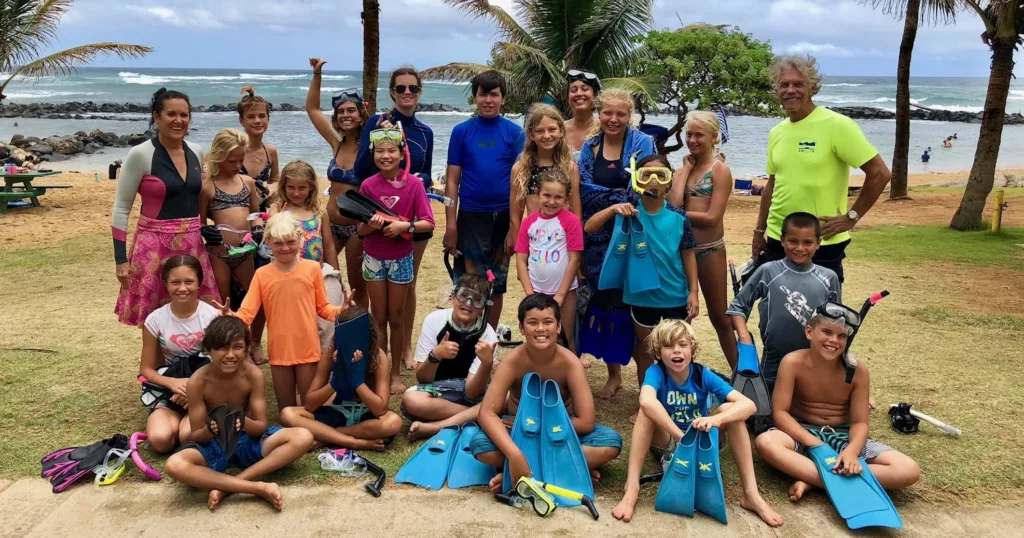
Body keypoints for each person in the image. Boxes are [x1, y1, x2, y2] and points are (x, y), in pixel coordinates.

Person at [610, 319, 783, 527]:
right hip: (670, 440)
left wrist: (715, 419)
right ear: (657, 353)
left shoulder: (702, 374)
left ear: (692, 349)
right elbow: (646, 401)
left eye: (682, 345)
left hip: (702, 442)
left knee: (731, 410)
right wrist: (679, 435)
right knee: (646, 411)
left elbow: (749, 405)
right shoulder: (656, 373)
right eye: (668, 346)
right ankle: (632, 489)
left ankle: (751, 494)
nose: (676, 351)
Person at [754, 306, 921, 502]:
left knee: (909, 470)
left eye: (841, 336)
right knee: (765, 443)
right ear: (809, 332)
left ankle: (814, 479)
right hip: (801, 434)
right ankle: (837, 478)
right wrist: (815, 444)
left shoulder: (858, 371)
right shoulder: (792, 363)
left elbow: (860, 423)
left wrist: (852, 451)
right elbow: (780, 413)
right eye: (826, 332)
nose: (834, 340)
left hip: (843, 437)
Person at [752, 55, 891, 285]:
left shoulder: (837, 125)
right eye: (784, 84)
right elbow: (772, 185)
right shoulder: (776, 132)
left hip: (821, 242)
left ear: (812, 88)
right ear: (776, 89)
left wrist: (851, 217)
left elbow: (880, 173)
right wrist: (759, 232)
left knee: (822, 316)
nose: (790, 90)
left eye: (798, 84)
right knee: (775, 314)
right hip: (779, 239)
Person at [470, 294, 622, 491]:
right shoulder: (512, 362)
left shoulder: (570, 363)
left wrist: (538, 428)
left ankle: (517, 471)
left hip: (560, 432)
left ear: (558, 327)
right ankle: (565, 467)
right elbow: (486, 413)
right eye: (532, 323)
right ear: (522, 328)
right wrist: (514, 453)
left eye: (548, 322)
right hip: (519, 433)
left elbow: (586, 421)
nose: (541, 329)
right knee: (480, 445)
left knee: (610, 442)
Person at [163, 316, 314, 512]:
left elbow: (260, 426)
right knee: (174, 465)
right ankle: (256, 488)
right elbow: (196, 435)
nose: (230, 355)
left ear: (247, 348)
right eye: (222, 348)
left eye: (237, 347)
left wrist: (243, 422)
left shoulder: (253, 375)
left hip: (247, 441)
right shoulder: (197, 382)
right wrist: (210, 429)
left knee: (303, 436)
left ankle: (231, 485)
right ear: (208, 350)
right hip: (215, 445)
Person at [585, 155, 698, 412]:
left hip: (676, 296)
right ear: (636, 180)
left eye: (661, 176)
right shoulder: (627, 213)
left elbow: (688, 255)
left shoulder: (679, 217)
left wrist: (694, 291)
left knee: (679, 352)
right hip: (640, 297)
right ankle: (647, 406)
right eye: (646, 176)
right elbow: (590, 228)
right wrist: (613, 209)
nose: (654, 182)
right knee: (646, 353)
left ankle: (677, 402)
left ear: (669, 182)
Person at [112, 88, 220, 326]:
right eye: (171, 114)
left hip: (192, 244)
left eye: (184, 115)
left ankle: (191, 360)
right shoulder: (140, 154)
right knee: (154, 317)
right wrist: (121, 260)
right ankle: (156, 363)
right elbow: (121, 208)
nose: (178, 120)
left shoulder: (196, 151)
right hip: (152, 246)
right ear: (157, 117)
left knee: (197, 312)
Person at [577, 88, 657, 398]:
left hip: (634, 234)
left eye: (620, 114)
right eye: (607, 113)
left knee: (635, 307)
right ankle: (614, 375)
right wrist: (617, 199)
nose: (613, 119)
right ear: (598, 113)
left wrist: (612, 199)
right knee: (606, 303)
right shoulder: (590, 146)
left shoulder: (643, 143)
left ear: (630, 115)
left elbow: (647, 187)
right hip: (597, 238)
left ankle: (645, 380)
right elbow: (584, 191)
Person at [228, 212, 353, 409]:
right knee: (285, 409)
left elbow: (323, 308)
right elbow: (247, 313)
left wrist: (341, 310)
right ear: (268, 242)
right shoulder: (262, 274)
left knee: (309, 405)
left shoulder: (312, 269)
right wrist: (231, 317)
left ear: (300, 240)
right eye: (278, 243)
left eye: (290, 242)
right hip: (279, 350)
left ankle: (314, 430)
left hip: (308, 348)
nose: (285, 248)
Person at [355, 66, 435, 372]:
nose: (406, 94)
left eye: (412, 89)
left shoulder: (424, 131)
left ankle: (404, 350)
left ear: (419, 92)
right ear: (392, 92)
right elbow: (363, 167)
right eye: (400, 88)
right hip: (380, 220)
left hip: (410, 212)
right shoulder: (378, 123)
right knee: (382, 302)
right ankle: (385, 357)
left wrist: (417, 177)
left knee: (408, 285)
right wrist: (379, 126)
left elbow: (427, 170)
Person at [443, 70, 526, 329]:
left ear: (503, 98)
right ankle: (466, 336)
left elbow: (519, 186)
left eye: (494, 94)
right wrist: (451, 225)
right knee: (469, 282)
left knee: (496, 283)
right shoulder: (462, 132)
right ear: (474, 97)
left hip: (503, 217)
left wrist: (515, 229)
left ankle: (487, 339)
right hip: (470, 216)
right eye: (482, 94)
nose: (488, 100)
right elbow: (452, 182)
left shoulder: (514, 133)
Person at [728, 212, 841, 393]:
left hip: (815, 360)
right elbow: (737, 307)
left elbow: (836, 323)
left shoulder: (829, 278)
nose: (799, 248)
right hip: (773, 360)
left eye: (808, 243)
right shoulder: (768, 271)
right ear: (782, 240)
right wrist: (744, 337)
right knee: (764, 410)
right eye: (793, 241)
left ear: (818, 243)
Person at [669, 111, 738, 370]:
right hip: (682, 252)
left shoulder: (719, 171)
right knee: (682, 317)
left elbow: (711, 217)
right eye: (689, 134)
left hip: (710, 251)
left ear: (714, 136)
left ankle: (740, 374)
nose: (692, 140)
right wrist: (685, 169)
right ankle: (680, 373)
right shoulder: (683, 169)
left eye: (699, 134)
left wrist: (676, 214)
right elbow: (673, 202)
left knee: (720, 317)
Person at [280, 307, 402, 451]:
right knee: (287, 414)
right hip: (338, 411)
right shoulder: (330, 354)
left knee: (393, 422)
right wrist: (335, 382)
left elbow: (380, 410)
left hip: (366, 413)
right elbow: (310, 404)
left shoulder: (378, 356)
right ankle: (352, 442)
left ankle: (325, 438)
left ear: (368, 335)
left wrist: (358, 383)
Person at [402, 274, 498, 440]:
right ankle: (479, 416)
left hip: (470, 393)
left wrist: (486, 364)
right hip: (438, 391)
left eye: (477, 299)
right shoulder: (434, 321)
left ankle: (436, 426)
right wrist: (435, 355)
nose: (468, 303)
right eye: (463, 295)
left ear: (483, 307)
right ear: (453, 296)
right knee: (411, 399)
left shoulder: (487, 333)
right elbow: (422, 378)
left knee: (508, 396)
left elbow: (472, 392)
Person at [139, 256, 220, 453]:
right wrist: (172, 384)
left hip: (206, 388)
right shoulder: (155, 320)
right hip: (173, 388)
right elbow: (146, 370)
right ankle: (174, 417)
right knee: (160, 440)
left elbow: (224, 364)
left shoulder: (212, 316)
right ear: (166, 284)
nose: (182, 288)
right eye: (175, 282)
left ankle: (201, 417)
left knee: (188, 437)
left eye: (189, 281)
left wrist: (194, 390)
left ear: (199, 283)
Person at [306, 58, 369, 309]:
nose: (345, 115)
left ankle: (364, 335)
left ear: (361, 113)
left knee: (356, 287)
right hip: (330, 224)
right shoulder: (337, 142)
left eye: (351, 110)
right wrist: (317, 74)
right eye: (341, 111)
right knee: (325, 280)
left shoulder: (370, 146)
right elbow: (312, 109)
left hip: (357, 228)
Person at [515, 169, 584, 353]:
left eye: (558, 197)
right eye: (547, 195)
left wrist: (560, 295)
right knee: (538, 336)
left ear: (566, 198)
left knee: (564, 337)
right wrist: (530, 294)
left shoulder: (571, 221)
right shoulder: (528, 223)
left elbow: (574, 259)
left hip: (565, 292)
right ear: (537, 194)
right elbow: (521, 260)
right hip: (536, 291)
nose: (552, 201)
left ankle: (567, 378)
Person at [198, 128, 262, 307]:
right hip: (219, 252)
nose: (238, 165)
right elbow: (200, 221)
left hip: (245, 251)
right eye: (232, 161)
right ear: (218, 158)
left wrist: (258, 228)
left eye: (241, 160)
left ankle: (249, 335)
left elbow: (255, 214)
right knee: (222, 300)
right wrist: (205, 230)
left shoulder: (247, 182)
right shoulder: (208, 187)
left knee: (250, 299)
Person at [510, 104, 582, 234]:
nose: (547, 136)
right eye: (540, 131)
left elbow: (576, 215)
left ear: (561, 131)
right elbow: (515, 218)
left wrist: (575, 249)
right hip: (534, 241)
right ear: (531, 134)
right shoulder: (521, 169)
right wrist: (520, 250)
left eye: (552, 129)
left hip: (561, 241)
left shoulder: (569, 168)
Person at [267, 160, 337, 268]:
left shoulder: (319, 213)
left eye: (302, 188)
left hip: (315, 273)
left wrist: (336, 274)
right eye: (291, 187)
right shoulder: (277, 211)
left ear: (311, 187)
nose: (296, 193)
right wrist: (278, 219)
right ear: (283, 186)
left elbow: (329, 246)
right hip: (285, 272)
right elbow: (269, 245)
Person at [237, 86, 280, 209]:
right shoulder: (233, 148)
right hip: (236, 213)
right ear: (241, 120)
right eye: (251, 117)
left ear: (268, 119)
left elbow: (274, 180)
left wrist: (273, 188)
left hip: (260, 212)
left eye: (262, 116)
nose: (257, 121)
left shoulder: (270, 151)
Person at [564, 70, 601, 159]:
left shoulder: (605, 129)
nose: (579, 93)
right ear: (568, 98)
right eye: (573, 90)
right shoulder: (559, 130)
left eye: (585, 89)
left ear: (595, 95)